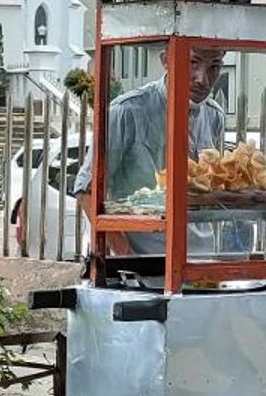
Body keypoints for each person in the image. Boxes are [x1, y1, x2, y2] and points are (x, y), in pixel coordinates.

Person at [72, 48, 226, 254]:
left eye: (214, 67)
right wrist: (127, 256)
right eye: (192, 63)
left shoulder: (214, 116)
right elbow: (87, 190)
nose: (202, 80)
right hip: (143, 263)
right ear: (166, 60)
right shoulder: (127, 111)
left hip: (200, 260)